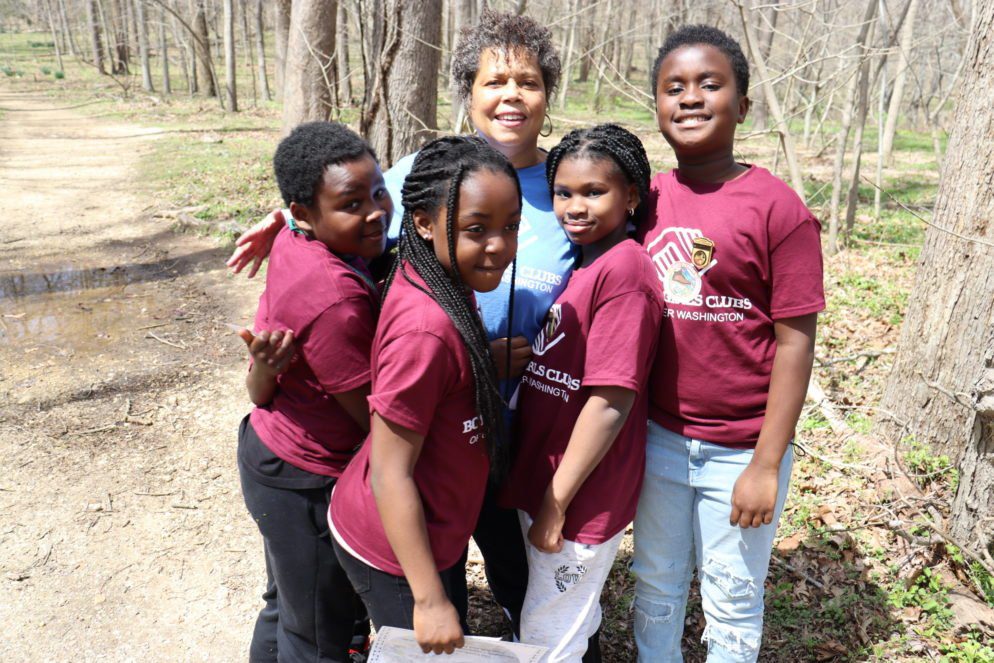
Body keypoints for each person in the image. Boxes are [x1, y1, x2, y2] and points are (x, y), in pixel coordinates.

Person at [227, 10, 573, 635]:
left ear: (548, 93)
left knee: (523, 580)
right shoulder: (428, 173)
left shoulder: (570, 184)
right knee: (415, 576)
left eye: (528, 81)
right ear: (468, 94)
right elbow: (347, 212)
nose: (511, 96)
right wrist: (287, 220)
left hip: (519, 425)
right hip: (430, 421)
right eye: (494, 82)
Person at [632, 26, 825, 662]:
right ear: (657, 105)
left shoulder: (779, 210)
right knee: (655, 582)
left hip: (741, 449)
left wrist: (766, 463)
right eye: (673, 88)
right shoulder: (647, 200)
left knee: (733, 595)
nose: (690, 98)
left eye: (710, 85)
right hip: (658, 437)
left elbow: (795, 343)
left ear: (742, 105)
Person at [327, 135, 520, 656]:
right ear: (422, 222)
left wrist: (483, 363)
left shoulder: (444, 280)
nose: (499, 245)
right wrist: (431, 600)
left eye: (511, 227)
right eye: (477, 229)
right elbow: (392, 472)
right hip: (393, 550)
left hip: (431, 531)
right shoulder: (426, 331)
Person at [501, 124, 662, 662]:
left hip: (580, 497)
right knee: (567, 617)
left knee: (547, 638)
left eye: (594, 192)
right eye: (564, 193)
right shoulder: (586, 259)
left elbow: (610, 401)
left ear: (632, 195)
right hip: (549, 476)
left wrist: (555, 504)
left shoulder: (626, 272)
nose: (575, 206)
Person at [236, 122, 392, 662]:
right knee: (320, 634)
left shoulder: (295, 237)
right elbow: (374, 421)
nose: (375, 211)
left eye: (378, 192)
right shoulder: (335, 301)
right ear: (305, 213)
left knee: (289, 607)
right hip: (305, 478)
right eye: (352, 203)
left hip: (271, 451)